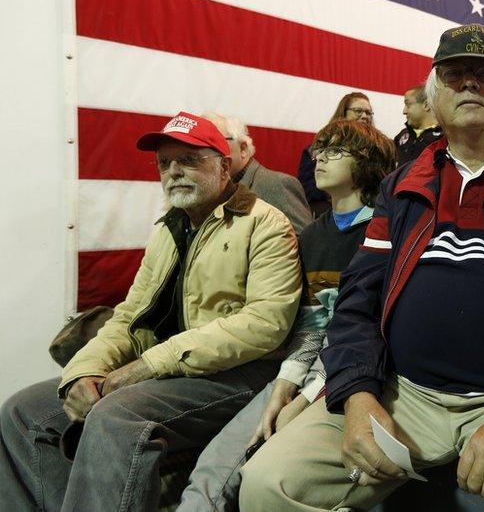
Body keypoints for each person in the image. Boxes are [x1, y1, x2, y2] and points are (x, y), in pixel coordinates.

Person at [239, 24, 484, 511]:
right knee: (265, 485)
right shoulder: (403, 184)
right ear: (435, 97)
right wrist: (358, 394)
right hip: (403, 392)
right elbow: (358, 300)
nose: (469, 83)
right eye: (453, 75)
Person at [0, 112, 302, 511]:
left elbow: (265, 325)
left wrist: (150, 364)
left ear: (224, 165)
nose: (174, 171)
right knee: (24, 412)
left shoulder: (264, 223)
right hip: (175, 370)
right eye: (165, 163)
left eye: (189, 160)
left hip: (240, 374)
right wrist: (83, 372)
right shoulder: (169, 228)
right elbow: (129, 315)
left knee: (116, 414)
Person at [179, 120, 396, 511]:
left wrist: (307, 396)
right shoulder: (312, 236)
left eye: (335, 150)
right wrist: (285, 386)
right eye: (319, 149)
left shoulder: (386, 233)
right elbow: (312, 328)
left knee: (275, 473)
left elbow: (374, 334)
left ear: (367, 161)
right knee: (214, 468)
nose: (319, 157)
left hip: (364, 377)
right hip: (304, 369)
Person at [203, 112, 312, 232]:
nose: (203, 151)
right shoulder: (203, 190)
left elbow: (303, 243)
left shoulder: (277, 185)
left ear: (243, 149)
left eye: (214, 141)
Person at [298, 92, 376, 215]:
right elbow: (307, 187)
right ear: (343, 112)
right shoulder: (316, 148)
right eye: (358, 111)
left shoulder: (378, 149)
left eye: (368, 113)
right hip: (325, 212)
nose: (364, 116)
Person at [393, 84, 443, 165]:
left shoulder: (444, 138)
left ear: (426, 105)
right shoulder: (402, 136)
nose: (404, 111)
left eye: (408, 105)